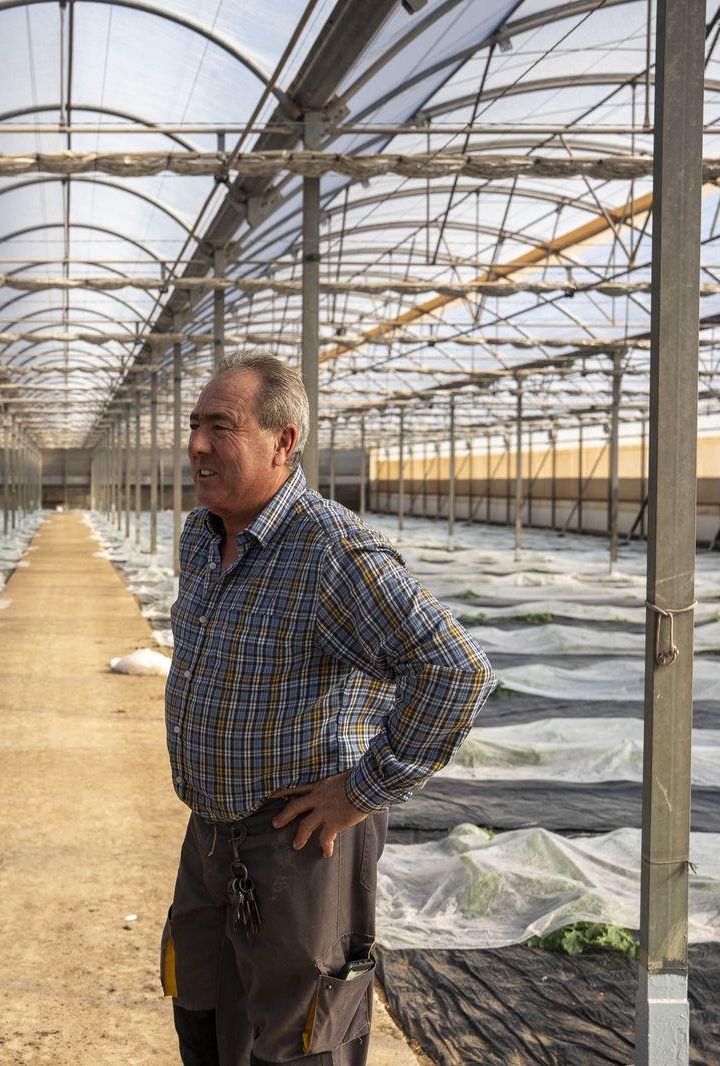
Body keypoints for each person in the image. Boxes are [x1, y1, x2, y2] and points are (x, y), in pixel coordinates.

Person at [160, 353, 494, 1066]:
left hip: (298, 842)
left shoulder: (329, 550)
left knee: (300, 1034)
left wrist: (360, 792)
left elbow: (454, 669)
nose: (196, 445)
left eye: (221, 426)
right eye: (194, 425)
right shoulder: (200, 536)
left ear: (283, 441)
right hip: (211, 833)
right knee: (203, 1007)